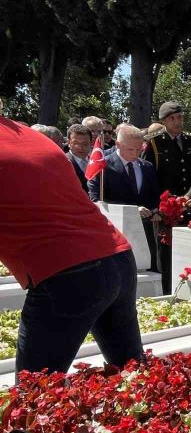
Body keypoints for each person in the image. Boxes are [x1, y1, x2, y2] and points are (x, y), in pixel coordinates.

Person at [0, 115, 143, 374]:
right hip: (117, 256)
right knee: (134, 376)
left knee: (34, 397)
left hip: (66, 273)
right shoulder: (26, 133)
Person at [88, 124, 160, 212]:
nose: (135, 154)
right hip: (116, 223)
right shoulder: (103, 167)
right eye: (130, 150)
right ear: (117, 145)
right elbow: (96, 201)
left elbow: (154, 196)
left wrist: (154, 211)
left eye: (138, 149)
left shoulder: (147, 167)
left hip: (144, 223)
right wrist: (132, 211)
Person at [143, 101, 191, 197]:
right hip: (164, 203)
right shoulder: (153, 142)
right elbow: (147, 177)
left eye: (179, 117)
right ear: (163, 121)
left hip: (189, 200)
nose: (177, 122)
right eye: (171, 118)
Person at [65, 123, 93, 193]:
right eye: (76, 143)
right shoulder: (63, 162)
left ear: (91, 143)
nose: (80, 147)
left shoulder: (97, 162)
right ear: (68, 143)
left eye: (85, 144)